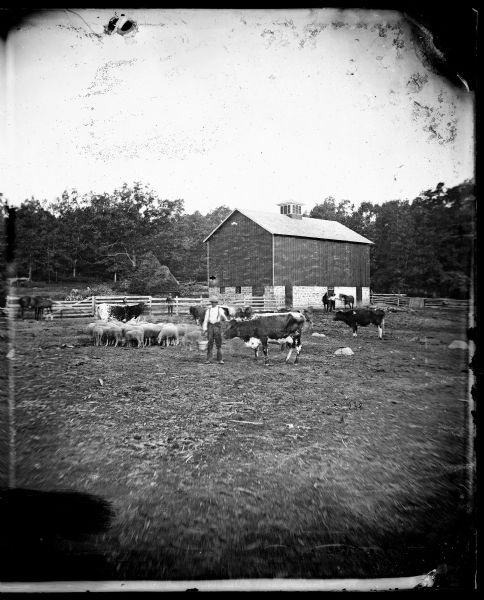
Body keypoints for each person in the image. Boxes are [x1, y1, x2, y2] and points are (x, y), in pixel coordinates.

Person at [202, 296, 228, 364]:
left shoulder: (220, 309)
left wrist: (226, 320)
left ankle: (220, 359)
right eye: (212, 302)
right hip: (210, 326)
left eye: (214, 302)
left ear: (216, 303)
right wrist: (204, 329)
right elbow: (205, 320)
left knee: (218, 343)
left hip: (217, 326)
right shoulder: (208, 310)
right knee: (210, 342)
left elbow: (224, 317)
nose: (213, 304)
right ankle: (208, 359)